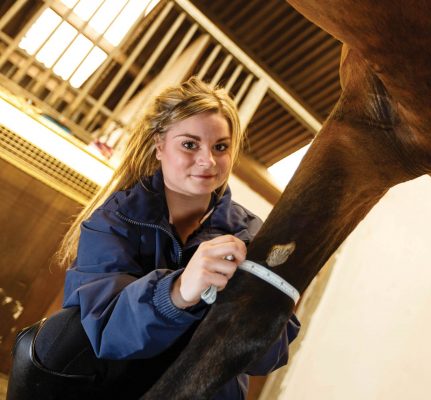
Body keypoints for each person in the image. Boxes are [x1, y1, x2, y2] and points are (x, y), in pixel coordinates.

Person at [7, 77, 301, 399]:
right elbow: (103, 331)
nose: (208, 161)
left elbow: (266, 358)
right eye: (190, 145)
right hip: (119, 386)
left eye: (220, 147)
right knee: (52, 337)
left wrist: (269, 310)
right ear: (159, 146)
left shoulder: (251, 235)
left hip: (198, 392)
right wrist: (176, 292)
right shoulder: (112, 222)